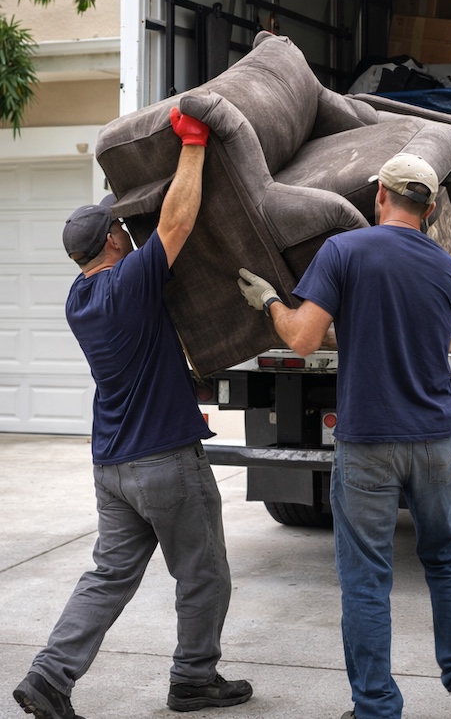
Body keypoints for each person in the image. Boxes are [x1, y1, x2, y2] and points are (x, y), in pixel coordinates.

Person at [238, 153, 451, 719]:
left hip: (368, 442)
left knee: (366, 576)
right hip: (434, 438)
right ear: (430, 210)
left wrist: (270, 303)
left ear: (379, 195)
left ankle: (376, 706)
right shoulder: (449, 268)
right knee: (450, 558)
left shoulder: (344, 251)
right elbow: (412, 334)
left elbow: (304, 339)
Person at [14, 108, 252, 719]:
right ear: (114, 242)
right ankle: (194, 679)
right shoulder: (128, 285)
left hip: (113, 467)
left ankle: (50, 676)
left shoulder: (81, 298)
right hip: (165, 461)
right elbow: (175, 222)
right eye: (121, 229)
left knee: (108, 576)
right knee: (204, 576)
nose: (127, 232)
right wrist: (193, 146)